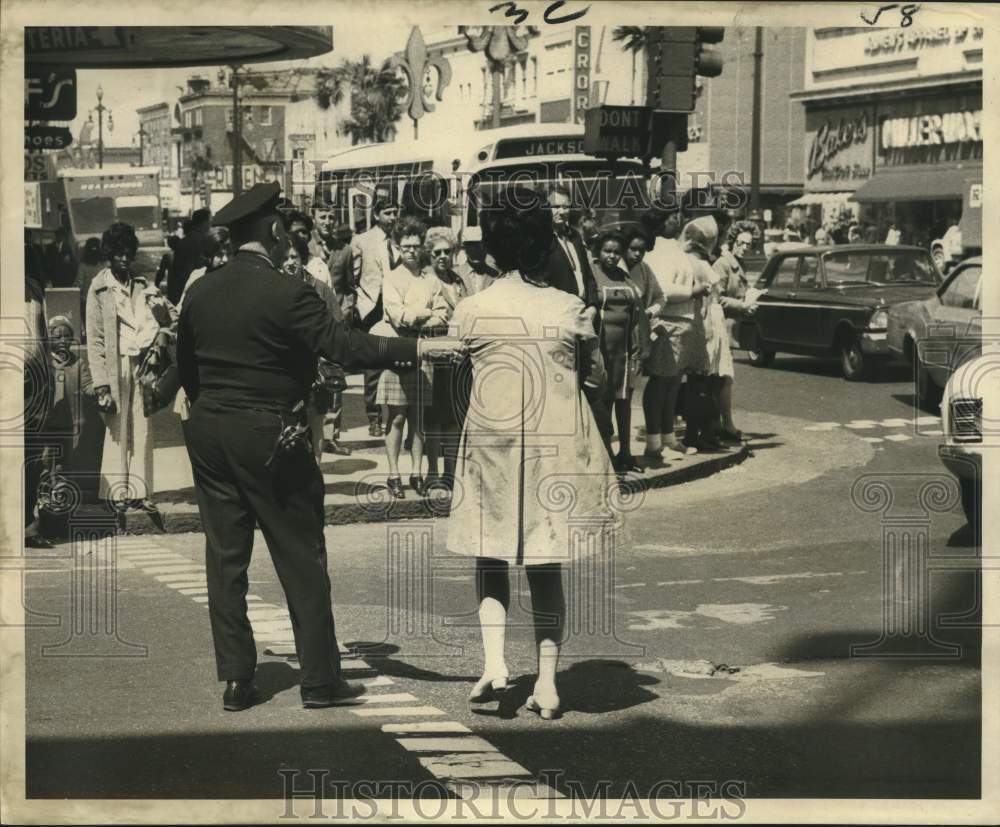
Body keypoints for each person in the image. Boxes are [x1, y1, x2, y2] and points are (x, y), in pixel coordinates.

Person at [177, 182, 460, 712]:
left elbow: (188, 373)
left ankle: (237, 679)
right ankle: (320, 681)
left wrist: (220, 413)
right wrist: (420, 345)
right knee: (301, 554)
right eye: (284, 228)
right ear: (275, 230)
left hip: (212, 433)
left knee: (225, 558)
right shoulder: (289, 291)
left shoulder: (201, 290)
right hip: (269, 433)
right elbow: (345, 346)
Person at [446, 186, 615, 720]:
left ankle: (494, 662)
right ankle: (546, 682)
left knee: (488, 553)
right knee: (546, 565)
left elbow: (458, 379)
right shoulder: (571, 309)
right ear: (545, 248)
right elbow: (598, 381)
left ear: (491, 251)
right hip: (554, 448)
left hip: (492, 445)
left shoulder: (472, 310)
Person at [86, 222, 177, 512]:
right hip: (116, 364)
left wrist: (162, 333)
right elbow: (96, 339)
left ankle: (141, 491)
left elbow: (173, 316)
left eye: (128, 253)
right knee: (117, 427)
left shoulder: (142, 285)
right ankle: (116, 493)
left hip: (145, 364)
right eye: (118, 254)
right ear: (108, 255)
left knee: (144, 426)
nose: (123, 259)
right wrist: (101, 382)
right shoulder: (99, 288)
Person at [373, 217, 445, 499]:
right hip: (398, 351)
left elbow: (442, 313)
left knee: (419, 416)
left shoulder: (431, 279)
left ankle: (417, 472)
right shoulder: (391, 278)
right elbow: (396, 315)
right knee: (397, 417)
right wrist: (421, 315)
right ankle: (393, 474)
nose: (411, 251)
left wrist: (418, 317)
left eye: (415, 246)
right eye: (406, 247)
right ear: (397, 247)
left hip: (423, 351)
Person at [640, 208, 709, 461]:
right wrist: (694, 291)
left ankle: (668, 437)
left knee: (673, 382)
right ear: (661, 220)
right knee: (661, 381)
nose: (677, 220)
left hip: (683, 320)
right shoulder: (656, 249)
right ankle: (654, 442)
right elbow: (663, 288)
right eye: (671, 216)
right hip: (667, 320)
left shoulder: (673, 246)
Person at [590, 230, 647, 474]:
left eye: (616, 252)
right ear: (599, 252)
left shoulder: (625, 279)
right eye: (607, 251)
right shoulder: (591, 274)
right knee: (602, 402)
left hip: (623, 351)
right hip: (599, 349)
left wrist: (638, 348)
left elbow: (637, 316)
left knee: (624, 400)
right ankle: (606, 455)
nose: (612, 256)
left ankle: (626, 451)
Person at [422, 226, 468, 486]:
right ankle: (432, 473)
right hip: (433, 356)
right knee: (433, 419)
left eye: (447, 252)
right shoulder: (425, 279)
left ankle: (450, 472)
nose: (442, 256)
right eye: (437, 252)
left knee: (453, 417)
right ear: (428, 253)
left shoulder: (459, 281)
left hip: (457, 358)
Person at [351, 199, 400, 437]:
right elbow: (353, 275)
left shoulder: (399, 239)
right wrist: (360, 304)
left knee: (395, 364)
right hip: (372, 308)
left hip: (395, 309)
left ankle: (395, 417)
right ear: (377, 214)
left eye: (395, 212)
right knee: (372, 368)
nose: (392, 217)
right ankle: (373, 417)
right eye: (388, 213)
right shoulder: (362, 240)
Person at [682, 216, 728, 452]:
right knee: (702, 382)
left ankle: (701, 431)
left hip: (696, 320)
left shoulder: (686, 260)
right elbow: (714, 290)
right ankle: (699, 432)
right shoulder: (701, 264)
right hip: (703, 322)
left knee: (698, 382)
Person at [713, 224, 757, 440]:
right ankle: (725, 424)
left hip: (732, 327)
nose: (745, 247)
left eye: (749, 244)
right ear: (732, 242)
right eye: (741, 243)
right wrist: (742, 305)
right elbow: (716, 297)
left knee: (725, 378)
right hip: (721, 325)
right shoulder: (723, 264)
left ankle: (723, 423)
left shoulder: (739, 264)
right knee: (724, 377)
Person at [24, 248, 55, 548]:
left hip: (33, 384)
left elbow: (43, 337)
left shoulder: (33, 288)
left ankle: (28, 527)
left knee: (32, 454)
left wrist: (49, 379)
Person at [167, 208, 213, 305]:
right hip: (198, 289)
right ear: (204, 222)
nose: (210, 224)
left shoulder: (183, 241)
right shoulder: (204, 240)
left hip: (182, 289)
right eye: (210, 221)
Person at [287, 210, 333, 288]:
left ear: (309, 237)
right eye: (296, 232)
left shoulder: (319, 267)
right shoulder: (282, 264)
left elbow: (328, 297)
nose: (301, 236)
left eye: (304, 232)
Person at [454, 225, 501, 296]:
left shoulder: (495, 275)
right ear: (464, 248)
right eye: (470, 246)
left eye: (479, 246)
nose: (474, 250)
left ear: (486, 247)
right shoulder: (455, 274)